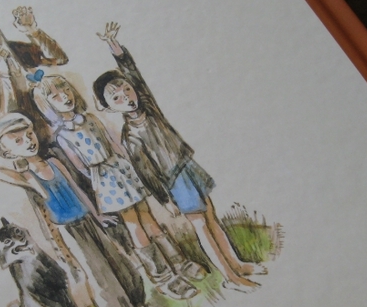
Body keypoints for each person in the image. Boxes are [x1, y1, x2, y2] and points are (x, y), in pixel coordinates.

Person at [0, 112, 171, 307]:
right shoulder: (28, 177)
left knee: (118, 262)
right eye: (18, 141)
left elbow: (78, 190)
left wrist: (98, 215)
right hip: (70, 231)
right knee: (100, 276)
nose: (28, 140)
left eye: (28, 134)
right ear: (8, 152)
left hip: (88, 221)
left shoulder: (54, 162)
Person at [93, 22, 265, 292]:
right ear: (109, 107)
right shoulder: (130, 136)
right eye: (116, 97)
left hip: (187, 166)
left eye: (126, 89)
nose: (125, 96)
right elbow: (147, 173)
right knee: (201, 227)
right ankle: (231, 278)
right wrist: (165, 200)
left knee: (211, 217)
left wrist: (115, 47)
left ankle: (237, 264)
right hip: (174, 181)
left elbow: (134, 73)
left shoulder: (149, 107)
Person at [31, 75, 203, 299]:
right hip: (104, 178)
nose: (64, 96)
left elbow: (112, 143)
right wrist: (103, 180)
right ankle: (163, 277)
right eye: (55, 96)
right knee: (133, 224)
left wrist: (126, 165)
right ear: (48, 106)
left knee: (147, 216)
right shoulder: (63, 135)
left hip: (121, 168)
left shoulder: (91, 118)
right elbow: (80, 166)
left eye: (65, 89)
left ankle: (179, 262)